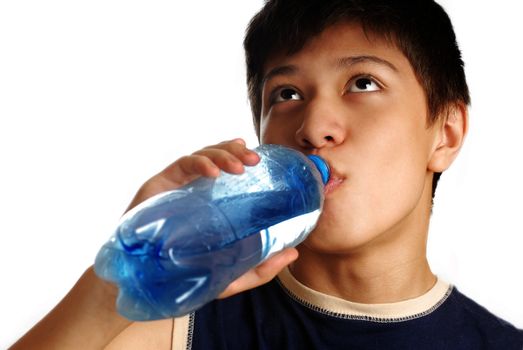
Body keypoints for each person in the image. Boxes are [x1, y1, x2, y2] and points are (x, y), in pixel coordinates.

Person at [10, 0, 523, 349]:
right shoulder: (175, 328)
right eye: (287, 95)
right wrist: (113, 283)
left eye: (363, 83)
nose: (315, 127)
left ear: (447, 134)